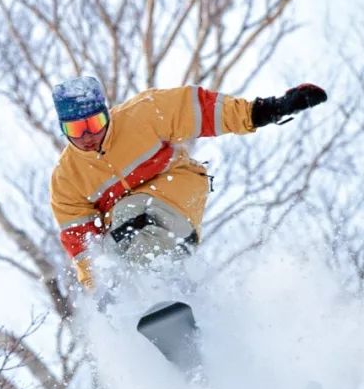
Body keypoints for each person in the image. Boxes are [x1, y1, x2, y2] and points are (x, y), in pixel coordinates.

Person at [49, 76, 327, 292]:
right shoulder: (67, 179)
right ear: (63, 128)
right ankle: (162, 311)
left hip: (177, 191)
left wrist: (271, 109)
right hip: (133, 233)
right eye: (75, 129)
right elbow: (82, 244)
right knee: (112, 257)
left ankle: (163, 293)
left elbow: (204, 111)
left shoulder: (143, 114)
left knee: (129, 214)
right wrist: (99, 289)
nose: (87, 136)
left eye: (94, 123)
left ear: (106, 114)